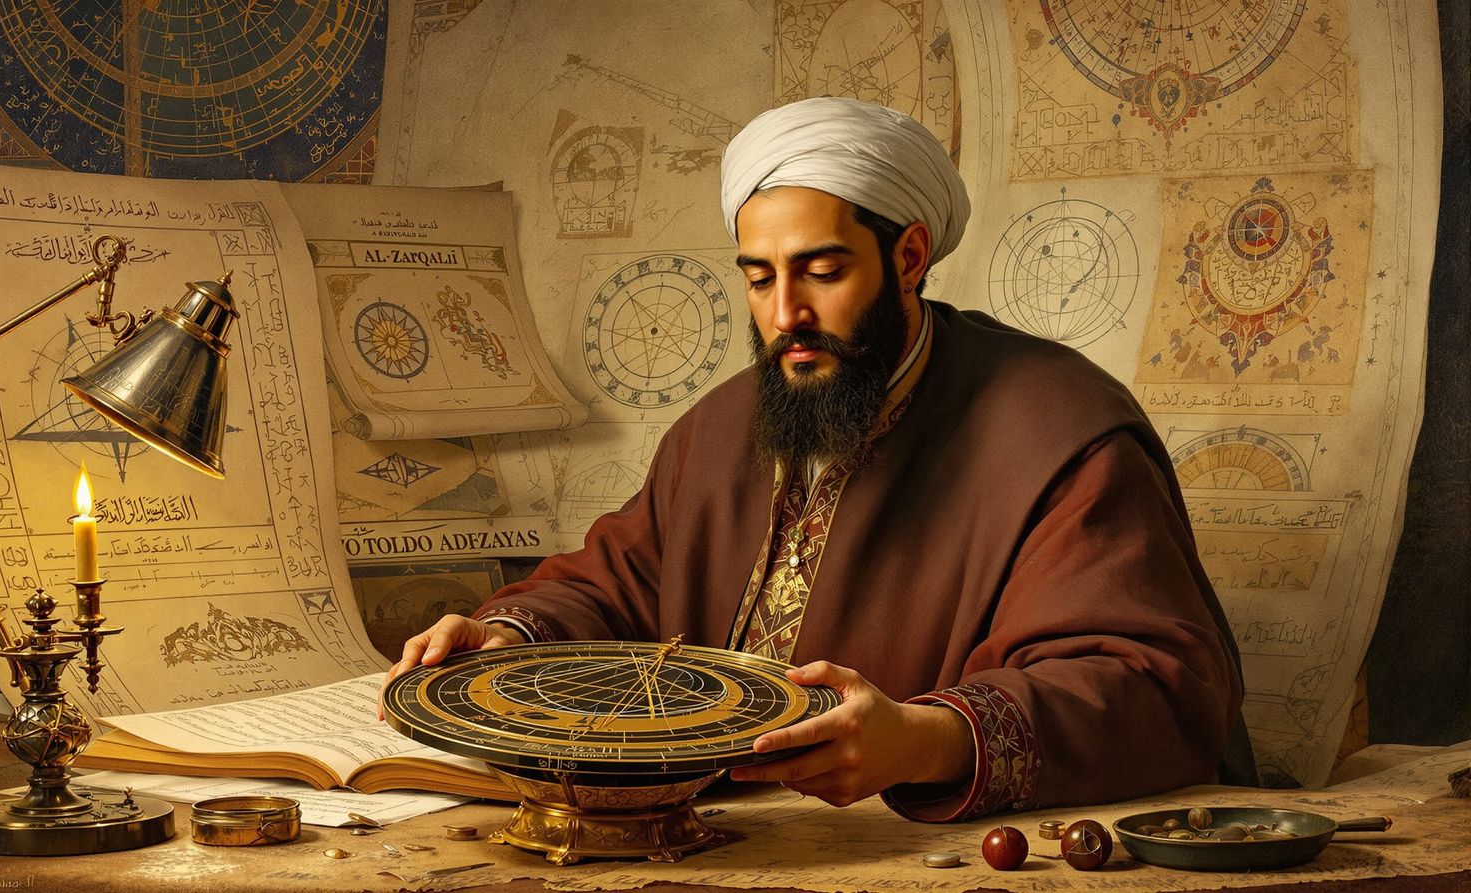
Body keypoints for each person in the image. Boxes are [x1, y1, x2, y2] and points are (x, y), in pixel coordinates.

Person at [379, 96, 1255, 821]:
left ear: (908, 258)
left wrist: (925, 738)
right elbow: (620, 584)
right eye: (759, 278)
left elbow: (1154, 687)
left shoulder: (1063, 435)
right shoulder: (721, 427)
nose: (785, 312)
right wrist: (509, 636)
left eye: (821, 271)